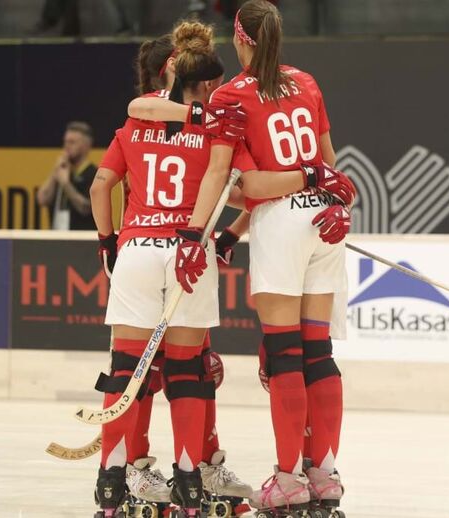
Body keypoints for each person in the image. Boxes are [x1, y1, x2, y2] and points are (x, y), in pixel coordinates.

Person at [127, 2, 356, 516]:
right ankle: (325, 475)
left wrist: (194, 235)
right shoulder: (307, 82)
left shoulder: (232, 95)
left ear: (239, 38)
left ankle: (289, 479)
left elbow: (243, 184)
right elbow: (330, 165)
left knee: (285, 356)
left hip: (281, 223)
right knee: (318, 353)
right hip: (325, 222)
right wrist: (335, 200)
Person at [89, 20, 255, 518]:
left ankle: (112, 480)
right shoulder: (216, 124)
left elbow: (99, 186)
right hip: (188, 250)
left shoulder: (137, 120)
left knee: (125, 371)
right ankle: (190, 480)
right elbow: (245, 189)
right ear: (204, 80)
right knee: (189, 373)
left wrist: (107, 242)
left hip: (138, 247)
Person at [37, 121, 98, 231]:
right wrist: (55, 172)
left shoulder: (94, 173)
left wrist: (66, 184)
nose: (66, 146)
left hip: (82, 236)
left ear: (86, 146)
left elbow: (86, 208)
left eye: (72, 142)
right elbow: (42, 199)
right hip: (57, 234)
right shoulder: (62, 170)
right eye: (65, 142)